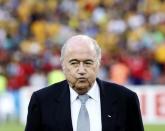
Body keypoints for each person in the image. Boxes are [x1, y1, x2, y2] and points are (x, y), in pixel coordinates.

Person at [25, 35, 144, 131]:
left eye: (88, 62)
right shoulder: (42, 101)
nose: (81, 70)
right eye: (74, 63)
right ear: (63, 65)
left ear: (98, 64)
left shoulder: (126, 99)